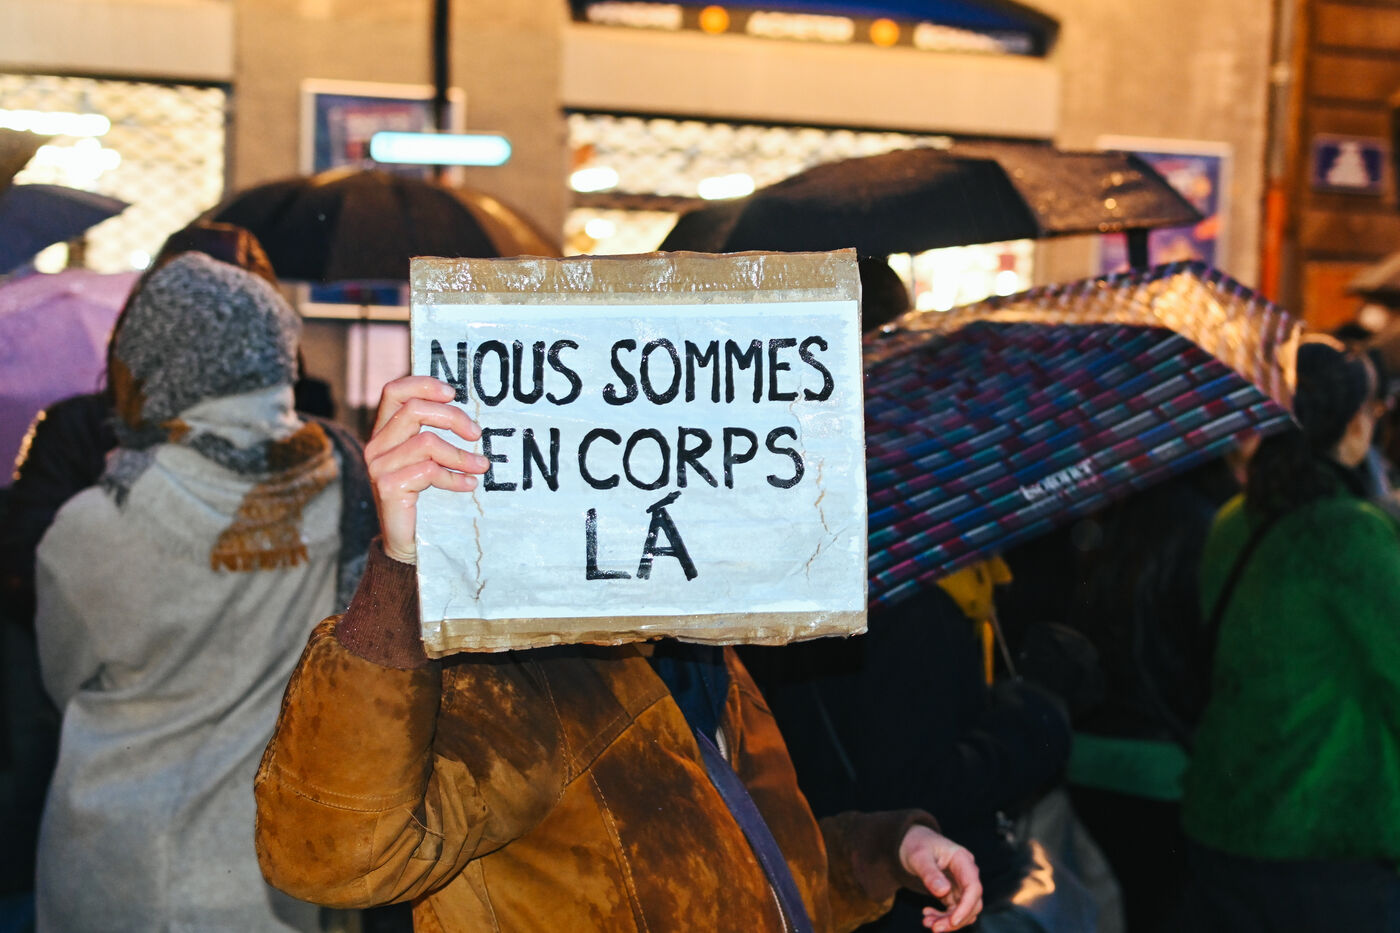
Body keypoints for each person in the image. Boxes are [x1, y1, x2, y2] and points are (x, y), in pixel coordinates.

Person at [253, 374, 984, 933]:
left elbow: (744, 880)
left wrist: (888, 851)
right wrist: (405, 563)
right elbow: (335, 853)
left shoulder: (706, 652)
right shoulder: (524, 674)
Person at [32, 253, 373, 931]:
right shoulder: (353, 490)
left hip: (116, 864)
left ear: (153, 366)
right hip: (274, 870)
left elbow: (64, 682)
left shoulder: (97, 522)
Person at [1180, 336, 1400, 930]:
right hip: (1324, 836)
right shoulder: (1348, 533)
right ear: (1353, 424)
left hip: (1224, 818)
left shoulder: (1235, 518)